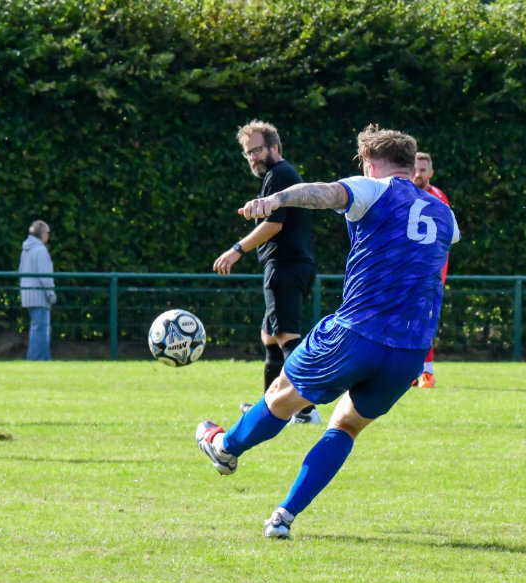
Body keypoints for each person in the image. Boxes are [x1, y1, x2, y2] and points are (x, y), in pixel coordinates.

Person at [196, 124, 461, 539]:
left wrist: (277, 199)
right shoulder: (446, 215)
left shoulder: (374, 188)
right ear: (413, 166)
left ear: (370, 164)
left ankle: (225, 448)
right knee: (346, 426)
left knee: (281, 396)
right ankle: (283, 518)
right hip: (410, 350)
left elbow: (325, 193)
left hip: (357, 332)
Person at [212, 120, 320, 425]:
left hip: (284, 267)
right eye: (248, 153)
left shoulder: (279, 174)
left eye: (257, 150)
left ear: (274, 147)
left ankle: (306, 410)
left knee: (287, 338)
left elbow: (274, 224)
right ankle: (269, 408)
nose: (252, 158)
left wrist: (237, 249)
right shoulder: (281, 174)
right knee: (270, 337)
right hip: (292, 266)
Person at [411, 152, 451, 389]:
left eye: (423, 170)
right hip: (406, 268)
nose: (417, 174)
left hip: (430, 269)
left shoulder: (438, 198)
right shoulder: (402, 193)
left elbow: (445, 237)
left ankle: (426, 372)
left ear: (431, 173)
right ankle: (409, 372)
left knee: (424, 318)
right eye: (415, 169)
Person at [18, 220, 56, 361]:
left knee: (37, 327)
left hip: (27, 293)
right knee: (41, 329)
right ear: (43, 234)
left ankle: (43, 357)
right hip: (39, 296)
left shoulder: (25, 250)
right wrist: (51, 293)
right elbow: (45, 275)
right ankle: (37, 358)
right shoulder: (41, 250)